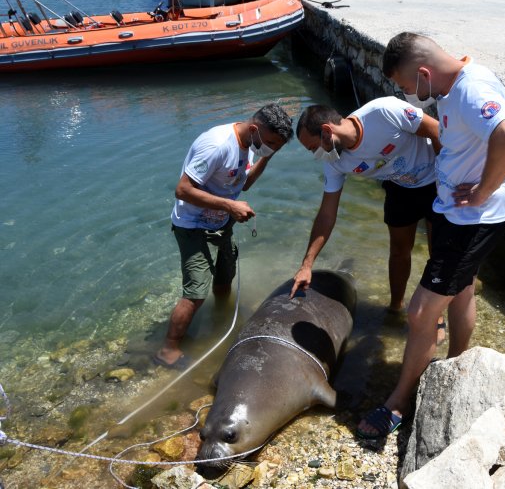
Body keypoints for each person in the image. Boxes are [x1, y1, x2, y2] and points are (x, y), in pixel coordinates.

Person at [356, 33, 505, 438]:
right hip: (456, 214)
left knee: (420, 313)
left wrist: (484, 190)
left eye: (405, 86)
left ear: (423, 72)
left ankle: (398, 401)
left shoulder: (472, 89)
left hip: (473, 221)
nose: (407, 95)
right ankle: (457, 365)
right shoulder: (454, 87)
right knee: (462, 290)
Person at [289, 98, 446, 340]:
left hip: (437, 180)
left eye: (313, 148)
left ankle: (436, 313)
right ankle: (395, 307)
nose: (316, 155)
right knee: (399, 251)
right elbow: (327, 214)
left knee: (439, 253)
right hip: (400, 186)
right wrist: (306, 265)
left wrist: (447, 180)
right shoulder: (334, 162)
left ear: (327, 131)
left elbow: (437, 130)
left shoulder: (383, 112)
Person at [154, 103, 293, 369]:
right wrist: (230, 205)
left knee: (224, 278)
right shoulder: (217, 145)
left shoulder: (250, 145)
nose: (271, 148)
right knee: (195, 291)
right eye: (271, 143)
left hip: (222, 221)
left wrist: (269, 154)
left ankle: (220, 321)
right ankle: (166, 350)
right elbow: (182, 190)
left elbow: (246, 182)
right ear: (254, 129)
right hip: (193, 224)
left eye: (277, 145)